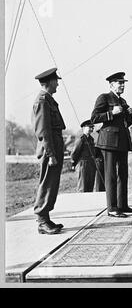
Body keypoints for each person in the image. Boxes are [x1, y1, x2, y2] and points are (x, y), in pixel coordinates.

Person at [91, 72, 132, 217]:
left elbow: (126, 123)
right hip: (109, 142)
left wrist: (130, 115)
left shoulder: (123, 101)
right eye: (120, 83)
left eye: (124, 83)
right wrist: (111, 113)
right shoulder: (104, 98)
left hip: (122, 142)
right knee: (110, 175)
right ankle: (112, 208)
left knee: (123, 174)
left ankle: (122, 205)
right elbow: (94, 118)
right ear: (111, 85)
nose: (123, 85)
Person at [32, 67, 65, 234]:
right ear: (50, 82)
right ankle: (42, 221)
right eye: (56, 81)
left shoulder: (48, 99)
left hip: (54, 146)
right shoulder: (42, 100)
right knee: (47, 184)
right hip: (48, 149)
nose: (58, 84)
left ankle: (46, 218)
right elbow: (42, 130)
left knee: (52, 184)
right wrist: (51, 154)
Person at [71, 120, 98, 192]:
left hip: (91, 163)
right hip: (83, 164)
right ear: (84, 128)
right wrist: (73, 163)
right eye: (89, 127)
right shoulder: (81, 139)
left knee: (90, 184)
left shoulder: (91, 139)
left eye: (92, 127)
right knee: (83, 185)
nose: (91, 129)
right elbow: (75, 152)